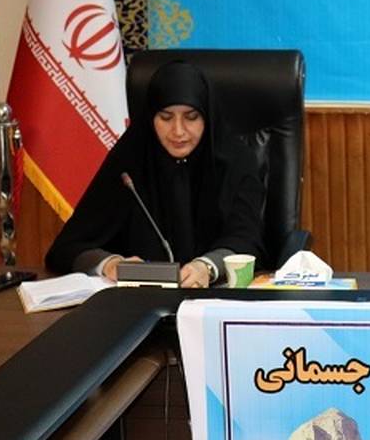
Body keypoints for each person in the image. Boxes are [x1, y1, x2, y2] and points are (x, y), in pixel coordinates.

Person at [46, 61, 265, 288]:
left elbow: (248, 241)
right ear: (151, 117)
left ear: (207, 117)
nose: (178, 131)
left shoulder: (235, 161)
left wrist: (207, 267)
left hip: (214, 298)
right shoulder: (128, 163)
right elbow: (67, 248)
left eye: (191, 117)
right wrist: (109, 264)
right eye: (166, 117)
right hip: (137, 300)